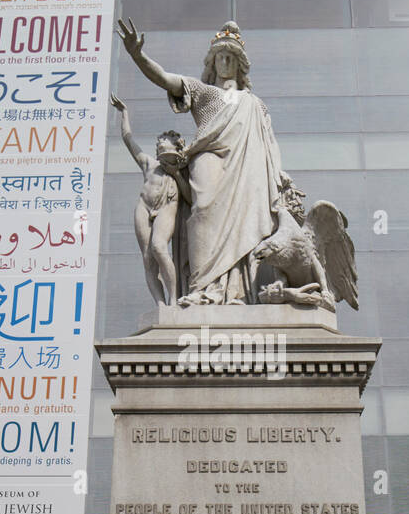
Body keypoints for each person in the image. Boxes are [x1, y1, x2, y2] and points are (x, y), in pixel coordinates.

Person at [116, 18, 285, 305]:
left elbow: (270, 144)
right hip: (207, 156)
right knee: (202, 211)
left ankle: (237, 291)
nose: (225, 61)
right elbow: (165, 79)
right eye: (221, 56)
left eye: (231, 57)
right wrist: (137, 55)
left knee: (251, 219)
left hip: (248, 167)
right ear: (213, 61)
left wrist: (279, 175)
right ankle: (202, 288)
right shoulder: (204, 91)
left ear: (240, 64)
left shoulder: (254, 103)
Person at [110, 93, 191, 303]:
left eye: (166, 141)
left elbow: (190, 198)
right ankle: (160, 303)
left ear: (176, 146)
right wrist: (124, 113)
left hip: (166, 208)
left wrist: (175, 173)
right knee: (148, 259)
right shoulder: (148, 163)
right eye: (160, 142)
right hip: (144, 207)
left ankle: (173, 300)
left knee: (159, 248)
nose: (161, 143)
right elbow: (128, 139)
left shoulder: (182, 170)